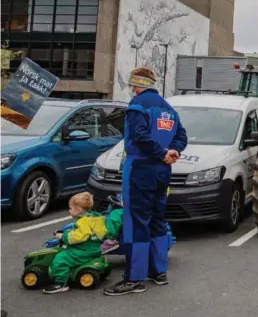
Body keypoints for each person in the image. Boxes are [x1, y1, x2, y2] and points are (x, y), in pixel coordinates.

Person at [104, 67, 187, 296]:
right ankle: (159, 271)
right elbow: (182, 136)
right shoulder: (168, 108)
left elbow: (140, 136)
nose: (131, 88)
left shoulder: (137, 106)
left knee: (136, 221)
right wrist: (172, 152)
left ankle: (134, 278)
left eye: (132, 85)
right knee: (157, 219)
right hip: (163, 171)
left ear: (136, 84)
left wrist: (160, 153)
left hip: (141, 167)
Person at [43, 192, 107, 294]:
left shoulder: (82, 222)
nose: (69, 210)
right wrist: (69, 232)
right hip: (94, 248)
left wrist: (63, 236)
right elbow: (88, 234)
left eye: (71, 208)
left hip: (83, 250)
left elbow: (78, 237)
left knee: (61, 259)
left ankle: (60, 283)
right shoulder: (95, 218)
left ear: (78, 210)